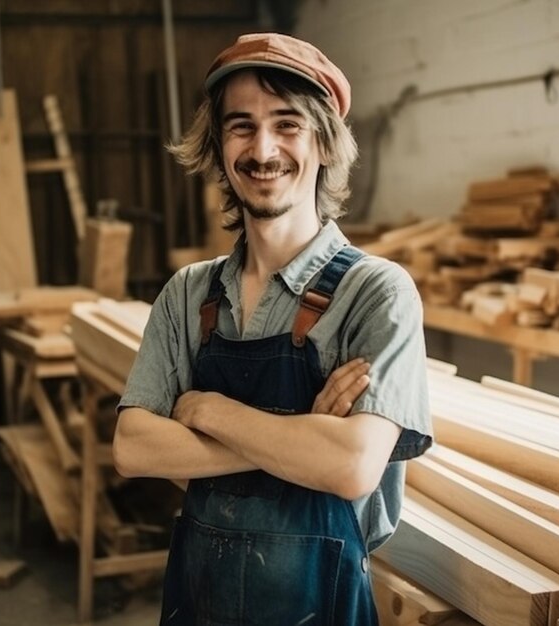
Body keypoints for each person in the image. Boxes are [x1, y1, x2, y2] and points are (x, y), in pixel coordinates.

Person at [113, 32, 432, 626]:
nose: (263, 149)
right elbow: (133, 448)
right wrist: (303, 435)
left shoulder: (377, 293)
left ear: (323, 142)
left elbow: (350, 467)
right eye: (240, 126)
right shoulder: (187, 294)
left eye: (287, 124)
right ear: (217, 144)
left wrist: (207, 409)